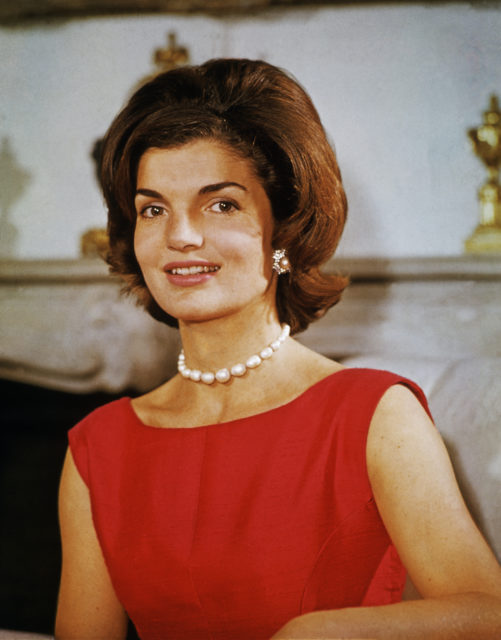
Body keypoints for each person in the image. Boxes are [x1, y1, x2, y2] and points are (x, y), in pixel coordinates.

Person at [55, 58, 501, 639]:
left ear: (283, 230)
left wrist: (319, 633)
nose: (180, 236)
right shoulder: (99, 447)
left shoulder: (373, 414)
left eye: (222, 204)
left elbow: (490, 616)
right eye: (153, 209)